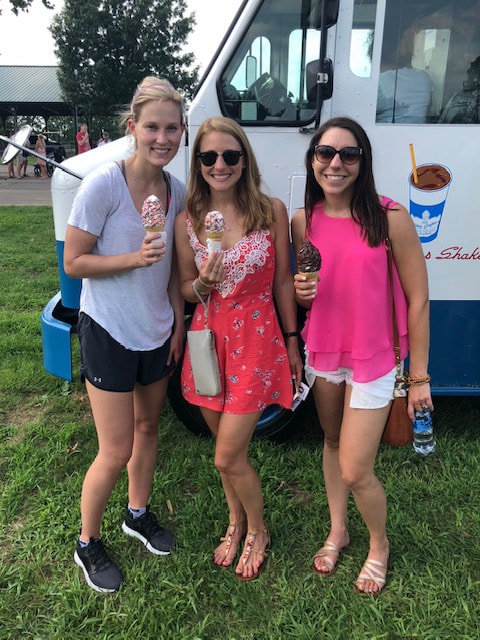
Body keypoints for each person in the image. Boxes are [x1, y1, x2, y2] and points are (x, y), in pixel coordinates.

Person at [292, 117, 432, 595]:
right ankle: (338, 529)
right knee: (331, 442)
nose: (335, 163)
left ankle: (378, 544)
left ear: (362, 161)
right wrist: (302, 295)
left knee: (356, 468)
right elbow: (311, 294)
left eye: (348, 154)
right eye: (325, 153)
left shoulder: (390, 217)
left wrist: (419, 377)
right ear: (312, 160)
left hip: (374, 357)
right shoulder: (302, 220)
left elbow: (417, 299)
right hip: (324, 351)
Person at [64, 77, 186, 593]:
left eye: (172, 128)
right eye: (152, 126)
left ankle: (136, 514)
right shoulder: (103, 186)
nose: (163, 137)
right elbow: (75, 261)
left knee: (148, 430)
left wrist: (178, 322)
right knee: (114, 449)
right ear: (133, 127)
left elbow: (177, 270)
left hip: (156, 330)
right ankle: (87, 542)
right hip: (109, 330)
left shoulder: (176, 191)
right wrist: (134, 257)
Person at [175, 116, 303, 581]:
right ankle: (235, 519)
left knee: (227, 455)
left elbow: (284, 281)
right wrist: (200, 284)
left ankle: (259, 529)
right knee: (222, 447)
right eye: (209, 157)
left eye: (230, 155)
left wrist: (293, 341)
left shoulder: (271, 210)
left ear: (244, 159)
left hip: (256, 339)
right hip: (208, 343)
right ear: (198, 163)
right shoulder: (187, 219)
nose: (220, 165)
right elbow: (185, 290)